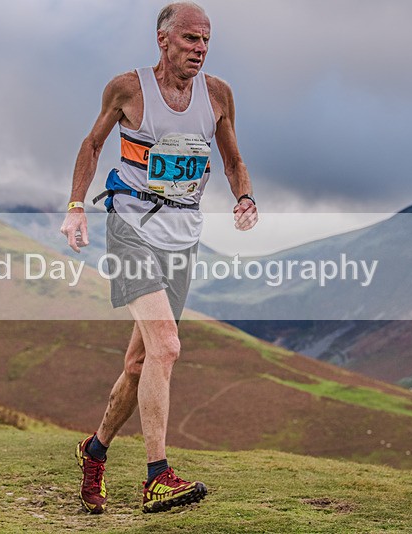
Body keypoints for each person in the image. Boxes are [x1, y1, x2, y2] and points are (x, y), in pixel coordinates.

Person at [60, 2, 258, 514]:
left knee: (140, 361)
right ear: (163, 40)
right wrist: (77, 206)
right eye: (191, 39)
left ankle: (95, 450)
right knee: (167, 346)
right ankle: (157, 476)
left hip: (182, 237)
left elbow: (232, 158)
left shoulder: (218, 95)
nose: (201, 49)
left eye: (206, 40)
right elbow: (92, 143)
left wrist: (244, 196)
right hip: (130, 228)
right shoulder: (128, 89)